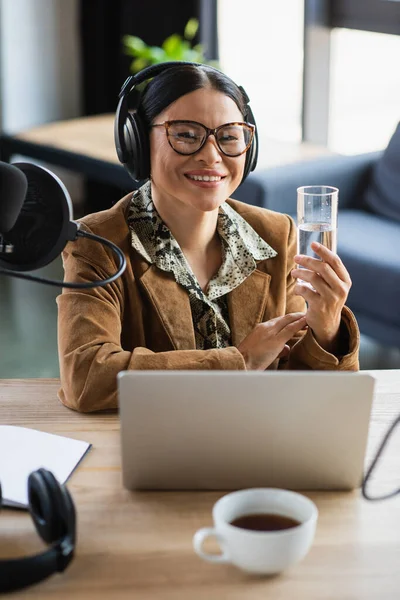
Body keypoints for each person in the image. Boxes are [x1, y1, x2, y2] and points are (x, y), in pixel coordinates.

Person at [57, 62, 359, 413]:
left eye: (229, 136)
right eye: (185, 134)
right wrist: (240, 361)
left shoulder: (276, 235)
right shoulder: (96, 243)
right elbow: (86, 378)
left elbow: (298, 384)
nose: (212, 156)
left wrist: (326, 330)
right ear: (137, 142)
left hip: (259, 445)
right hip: (156, 445)